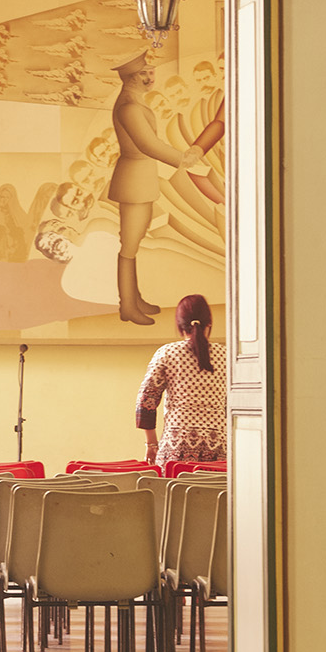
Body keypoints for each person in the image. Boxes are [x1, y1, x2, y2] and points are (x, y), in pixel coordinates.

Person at [108, 50, 191, 326]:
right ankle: (128, 306)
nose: (149, 78)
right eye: (142, 74)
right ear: (129, 78)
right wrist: (182, 159)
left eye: (150, 72)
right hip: (133, 180)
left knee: (134, 241)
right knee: (129, 245)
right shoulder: (129, 107)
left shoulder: (133, 102)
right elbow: (147, 144)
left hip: (140, 178)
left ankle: (134, 299)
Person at [134, 293, 227, 469]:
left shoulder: (166, 353)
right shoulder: (226, 355)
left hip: (174, 448)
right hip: (219, 449)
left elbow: (146, 400)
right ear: (209, 323)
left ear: (180, 325)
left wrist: (151, 444)